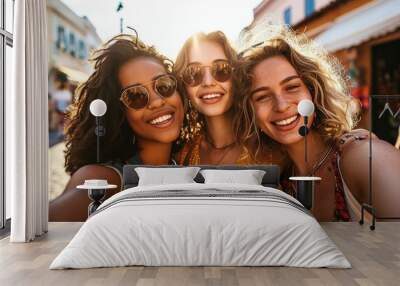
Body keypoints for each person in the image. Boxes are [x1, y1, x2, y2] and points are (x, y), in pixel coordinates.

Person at [238, 27, 400, 221]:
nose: (281, 106)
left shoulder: (366, 158)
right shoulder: (277, 181)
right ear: (249, 114)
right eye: (262, 97)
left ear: (313, 91)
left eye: (292, 87)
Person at [49, 34, 185, 221]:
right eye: (135, 96)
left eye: (164, 85)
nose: (157, 102)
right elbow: (41, 225)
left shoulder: (183, 163)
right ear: (119, 112)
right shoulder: (108, 178)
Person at [174, 31, 256, 165]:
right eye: (193, 72)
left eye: (221, 69)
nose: (208, 82)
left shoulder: (272, 149)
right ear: (184, 86)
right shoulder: (182, 157)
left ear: (237, 76)